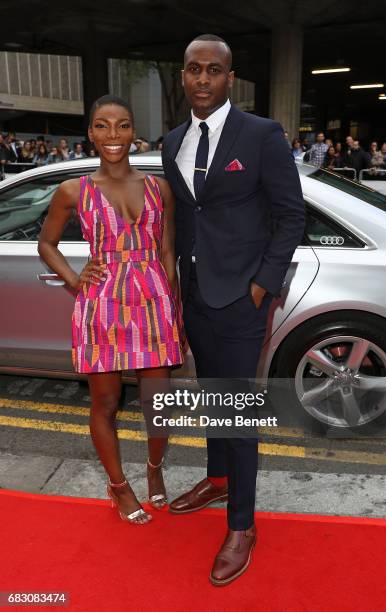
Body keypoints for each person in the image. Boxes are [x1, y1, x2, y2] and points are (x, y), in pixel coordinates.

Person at [162, 34, 305, 586]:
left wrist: (261, 286)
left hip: (242, 298)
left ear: (229, 77)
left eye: (213, 71)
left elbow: (291, 216)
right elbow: (187, 217)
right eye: (193, 69)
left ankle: (242, 524)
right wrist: (177, 285)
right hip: (196, 292)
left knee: (238, 410)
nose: (202, 79)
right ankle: (217, 478)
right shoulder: (173, 138)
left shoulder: (262, 134)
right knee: (210, 394)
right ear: (183, 76)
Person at [38, 94, 184, 526]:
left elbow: (168, 250)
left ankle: (154, 469)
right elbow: (47, 244)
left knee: (158, 403)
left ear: (133, 130)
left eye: (122, 125)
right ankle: (119, 486)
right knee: (105, 403)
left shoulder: (160, 188)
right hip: (102, 305)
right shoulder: (73, 190)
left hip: (154, 301)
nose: (113, 135)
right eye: (102, 125)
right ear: (90, 134)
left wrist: (174, 310)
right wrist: (73, 278)